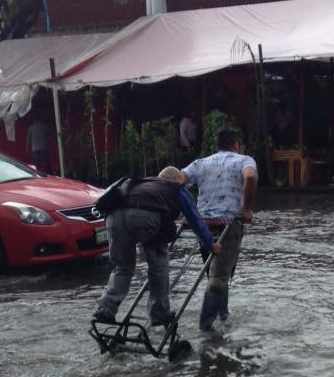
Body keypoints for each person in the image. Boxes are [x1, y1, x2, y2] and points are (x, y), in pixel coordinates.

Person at [94, 167, 221, 326]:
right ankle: (159, 313)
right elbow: (195, 220)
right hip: (145, 218)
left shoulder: (142, 183)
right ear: (177, 180)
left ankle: (106, 307)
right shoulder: (177, 188)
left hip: (113, 218)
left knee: (123, 267)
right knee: (158, 267)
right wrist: (210, 245)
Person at [182, 126, 258, 332]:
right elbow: (250, 177)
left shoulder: (201, 163)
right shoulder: (245, 160)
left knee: (215, 273)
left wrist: (185, 209)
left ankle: (223, 316)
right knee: (218, 278)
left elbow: (177, 179)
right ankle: (206, 330)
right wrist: (247, 209)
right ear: (236, 145)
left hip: (202, 226)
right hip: (228, 224)